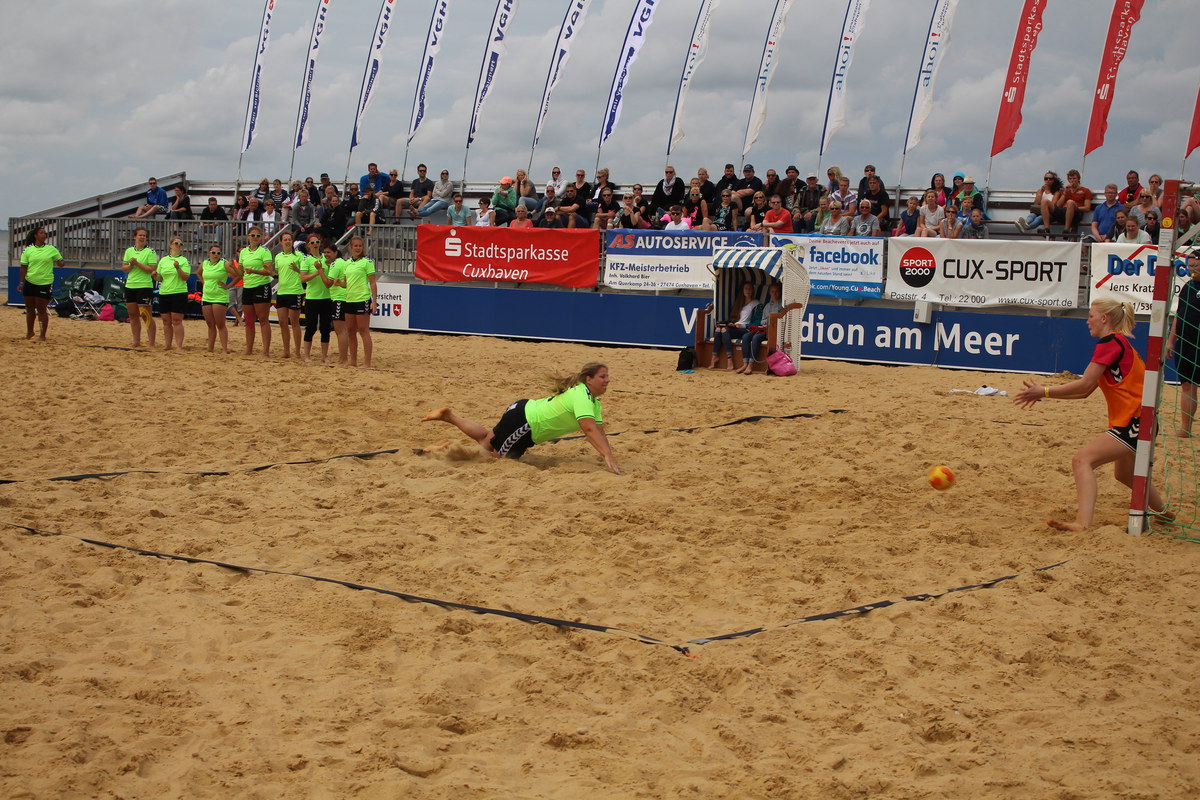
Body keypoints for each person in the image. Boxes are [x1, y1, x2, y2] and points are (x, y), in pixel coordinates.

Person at [1013, 299, 1170, 531]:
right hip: (1140, 419)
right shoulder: (1119, 343)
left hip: (1135, 421)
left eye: (1091, 316)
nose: (1087, 321)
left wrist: (1044, 391)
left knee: (1081, 460)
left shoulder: (1110, 342)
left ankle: (1082, 523)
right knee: (1124, 474)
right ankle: (1165, 514)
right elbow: (1084, 392)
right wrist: (1044, 394)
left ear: (1104, 318)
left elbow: (1084, 384)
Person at [421, 362, 620, 474]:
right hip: (526, 423)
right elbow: (589, 430)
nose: (608, 380)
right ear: (588, 379)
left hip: (522, 411)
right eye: (603, 376)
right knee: (495, 458)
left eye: (607, 376)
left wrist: (608, 453)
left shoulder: (594, 402)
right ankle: (447, 449)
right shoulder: (582, 397)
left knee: (486, 439)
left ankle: (449, 416)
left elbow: (599, 432)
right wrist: (607, 455)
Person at [1167, 252, 1200, 437]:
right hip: (1185, 344)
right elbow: (1179, 316)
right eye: (1189, 266)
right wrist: (1171, 341)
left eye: (1195, 266)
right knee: (1187, 386)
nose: (1191, 270)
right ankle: (1185, 428)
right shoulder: (1187, 287)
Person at [338, 235, 377, 369]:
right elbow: (346, 283)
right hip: (349, 299)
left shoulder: (367, 262)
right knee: (350, 331)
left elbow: (372, 283)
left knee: (363, 331)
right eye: (355, 246)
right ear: (350, 247)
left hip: (362, 299)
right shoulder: (347, 263)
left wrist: (374, 300)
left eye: (360, 246)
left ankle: (367, 362)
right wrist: (339, 283)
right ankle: (353, 360)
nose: (358, 248)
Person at [18, 226, 62, 341]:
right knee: (30, 309)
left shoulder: (51, 249)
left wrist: (60, 263)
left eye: (45, 233)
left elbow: (61, 262)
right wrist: (21, 282)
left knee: (41, 309)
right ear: (35, 235)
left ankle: (42, 335)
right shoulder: (28, 250)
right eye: (41, 233)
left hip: (45, 282)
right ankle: (30, 332)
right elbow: (23, 268)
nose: (44, 235)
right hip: (30, 281)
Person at [239, 226, 276, 358]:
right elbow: (240, 272)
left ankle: (265, 351)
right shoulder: (244, 252)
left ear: (261, 238)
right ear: (248, 237)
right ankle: (249, 349)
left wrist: (254, 271)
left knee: (263, 319)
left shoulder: (264, 251)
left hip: (261, 286)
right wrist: (232, 269)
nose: (255, 238)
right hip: (248, 287)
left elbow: (269, 271)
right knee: (249, 320)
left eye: (258, 236)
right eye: (253, 235)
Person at [198, 243, 238, 353]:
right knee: (210, 324)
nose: (216, 255)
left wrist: (228, 286)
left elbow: (238, 276)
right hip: (207, 296)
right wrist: (204, 283)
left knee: (220, 324)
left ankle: (224, 349)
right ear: (209, 253)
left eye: (218, 253)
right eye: (213, 252)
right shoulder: (204, 263)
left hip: (220, 297)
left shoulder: (224, 264)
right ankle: (210, 348)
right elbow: (198, 273)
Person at [709, 282, 760, 370]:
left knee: (724, 330)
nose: (748, 291)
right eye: (746, 288)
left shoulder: (756, 303)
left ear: (753, 290)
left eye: (750, 289)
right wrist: (732, 324)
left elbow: (757, 322)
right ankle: (715, 356)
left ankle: (730, 359)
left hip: (746, 329)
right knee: (718, 329)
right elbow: (734, 318)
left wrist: (743, 325)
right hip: (735, 327)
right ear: (742, 290)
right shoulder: (739, 303)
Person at [300, 234, 334, 363]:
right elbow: (303, 278)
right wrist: (317, 272)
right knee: (311, 327)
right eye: (312, 242)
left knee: (325, 328)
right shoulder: (306, 260)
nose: (315, 244)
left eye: (317, 242)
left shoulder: (326, 257)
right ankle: (307, 355)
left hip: (326, 297)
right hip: (312, 298)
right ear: (308, 245)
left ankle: (324, 356)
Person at [121, 227, 158, 347]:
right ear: (135, 237)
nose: (142, 237)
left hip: (144, 285)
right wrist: (131, 265)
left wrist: (137, 263)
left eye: (144, 235)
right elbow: (124, 268)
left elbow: (151, 269)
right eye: (140, 235)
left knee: (145, 314)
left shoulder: (150, 251)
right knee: (132, 315)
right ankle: (136, 341)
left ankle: (151, 342)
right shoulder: (129, 251)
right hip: (130, 285)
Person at [737, 282, 783, 375]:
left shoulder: (782, 305)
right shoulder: (767, 306)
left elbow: (781, 319)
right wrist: (768, 320)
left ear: (780, 292)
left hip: (773, 331)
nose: (774, 294)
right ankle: (745, 363)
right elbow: (762, 321)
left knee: (756, 338)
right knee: (746, 336)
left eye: (777, 291)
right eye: (772, 291)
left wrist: (771, 320)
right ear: (770, 293)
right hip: (764, 329)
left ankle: (751, 364)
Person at [153, 236, 190, 351]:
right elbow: (160, 278)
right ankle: (168, 345)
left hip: (179, 292)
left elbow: (185, 277)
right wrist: (155, 276)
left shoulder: (183, 260)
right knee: (166, 320)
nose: (178, 246)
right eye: (176, 243)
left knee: (176, 320)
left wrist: (178, 267)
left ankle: (179, 346)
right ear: (170, 245)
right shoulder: (163, 260)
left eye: (180, 244)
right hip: (164, 292)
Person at [273, 230, 304, 359]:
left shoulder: (299, 256)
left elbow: (304, 273)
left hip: (295, 291)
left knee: (294, 322)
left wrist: (297, 269)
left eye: (289, 239)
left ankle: (297, 351)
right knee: (282, 322)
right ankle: (286, 351)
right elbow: (276, 273)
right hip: (282, 292)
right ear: (281, 242)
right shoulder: (278, 257)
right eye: (285, 240)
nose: (287, 242)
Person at [1042, 168, 1091, 235]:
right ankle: (1046, 229)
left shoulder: (1085, 191)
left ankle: (1066, 230)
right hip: (1063, 212)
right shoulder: (1064, 191)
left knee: (1070, 202)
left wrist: (1074, 208)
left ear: (1078, 179)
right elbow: (1058, 205)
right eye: (1070, 179)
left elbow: (1087, 208)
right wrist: (1064, 194)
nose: (1072, 180)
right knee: (1044, 201)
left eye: (1074, 178)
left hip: (1076, 213)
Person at [324, 243, 350, 365]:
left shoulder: (336, 264)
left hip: (339, 298)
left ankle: (343, 359)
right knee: (344, 330)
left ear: (335, 253)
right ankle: (344, 357)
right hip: (344, 297)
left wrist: (320, 270)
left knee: (340, 331)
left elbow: (328, 283)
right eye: (325, 252)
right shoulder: (343, 263)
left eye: (329, 252)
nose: (326, 255)